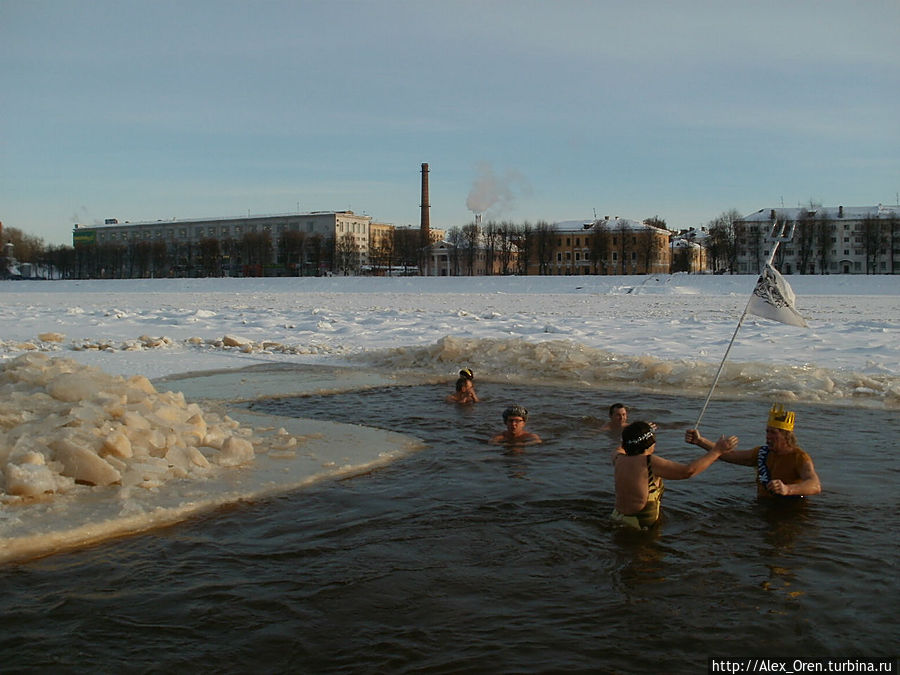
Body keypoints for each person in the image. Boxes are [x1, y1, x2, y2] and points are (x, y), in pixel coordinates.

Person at [612, 421, 737, 530]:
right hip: (640, 525)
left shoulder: (618, 458)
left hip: (617, 518)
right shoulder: (648, 462)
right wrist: (717, 451)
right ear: (650, 442)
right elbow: (688, 471)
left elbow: (621, 447)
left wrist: (638, 432)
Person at [684, 404, 821, 498]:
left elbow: (815, 485)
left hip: (790, 508)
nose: (768, 437)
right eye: (767, 432)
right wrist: (700, 441)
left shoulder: (800, 457)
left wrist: (787, 489)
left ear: (786, 436)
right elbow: (730, 456)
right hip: (763, 505)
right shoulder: (762, 453)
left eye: (773, 433)